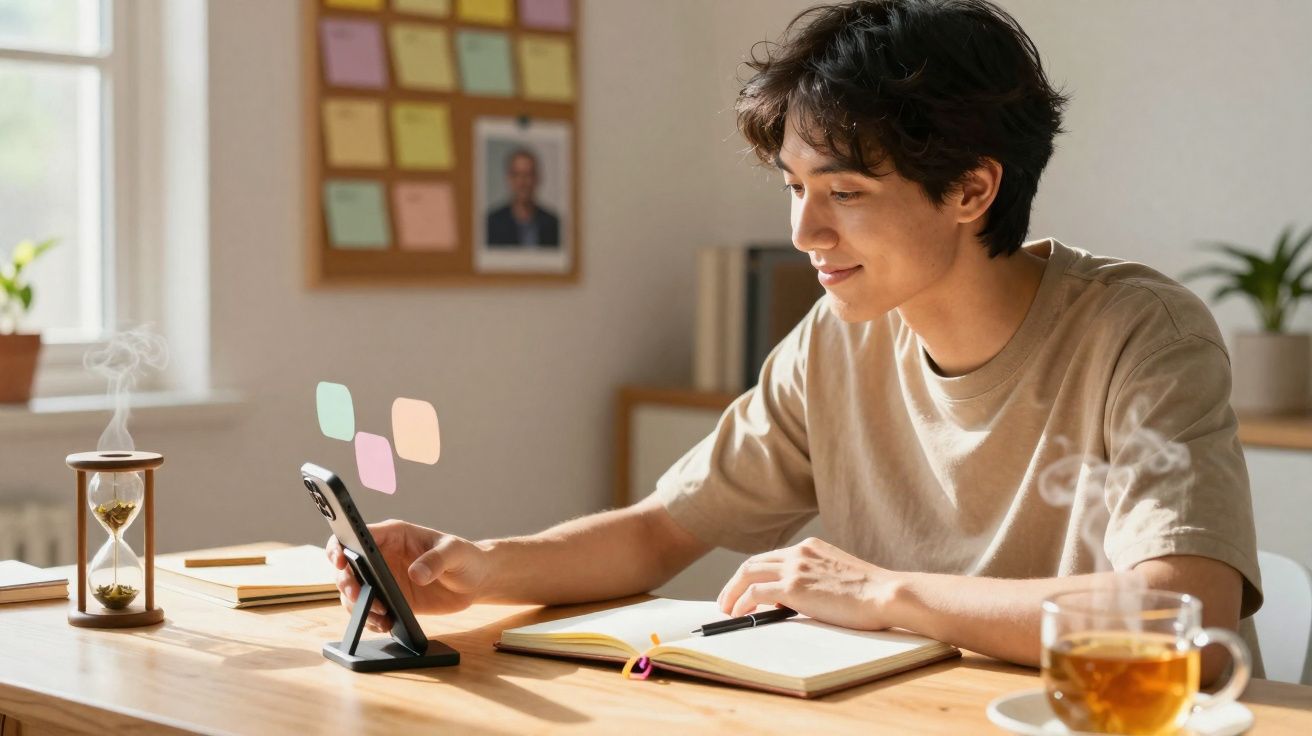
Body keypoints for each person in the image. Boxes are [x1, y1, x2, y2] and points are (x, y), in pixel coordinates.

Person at [330, 0, 1262, 681]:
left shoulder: (1141, 332)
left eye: (845, 194)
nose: (805, 233)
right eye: (793, 186)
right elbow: (663, 531)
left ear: (973, 191)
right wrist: (478, 565)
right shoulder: (838, 336)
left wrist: (885, 592)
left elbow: (1175, 616)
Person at [485, 147, 561, 247]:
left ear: (537, 178)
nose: (522, 182)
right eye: (517, 175)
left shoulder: (553, 224)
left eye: (528, 175)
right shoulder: (492, 224)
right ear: (509, 179)